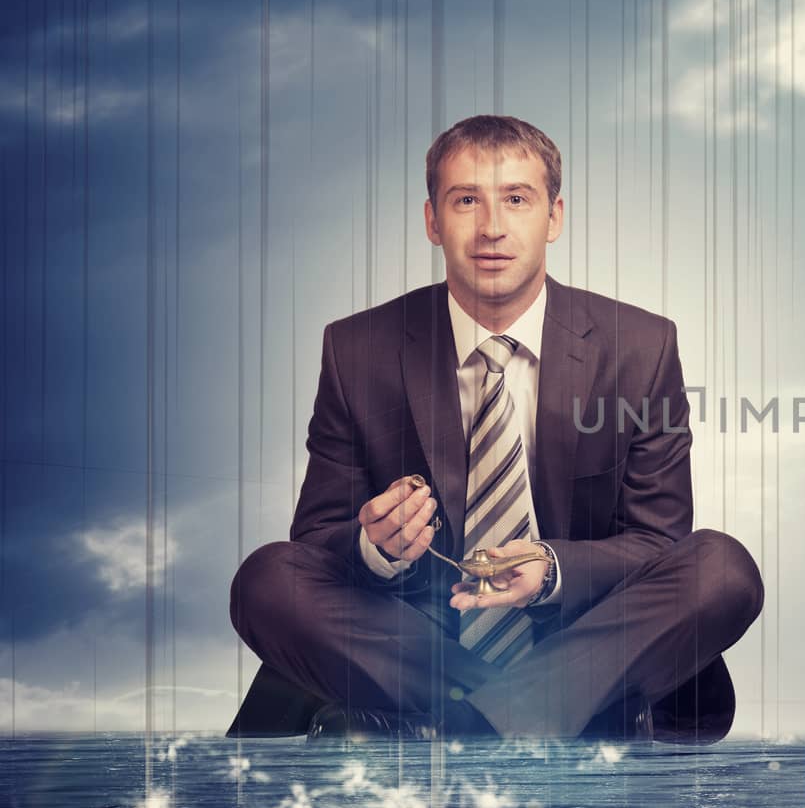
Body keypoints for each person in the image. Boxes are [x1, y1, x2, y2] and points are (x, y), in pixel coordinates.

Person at [225, 115, 763, 742]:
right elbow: (316, 544)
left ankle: (473, 723)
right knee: (267, 580)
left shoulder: (642, 346)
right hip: (420, 642)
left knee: (721, 569)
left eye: (516, 199)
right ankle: (523, 714)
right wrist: (378, 547)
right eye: (465, 201)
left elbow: (657, 542)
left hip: (582, 631)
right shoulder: (356, 348)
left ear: (553, 217)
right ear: (432, 220)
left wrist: (553, 569)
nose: (491, 228)